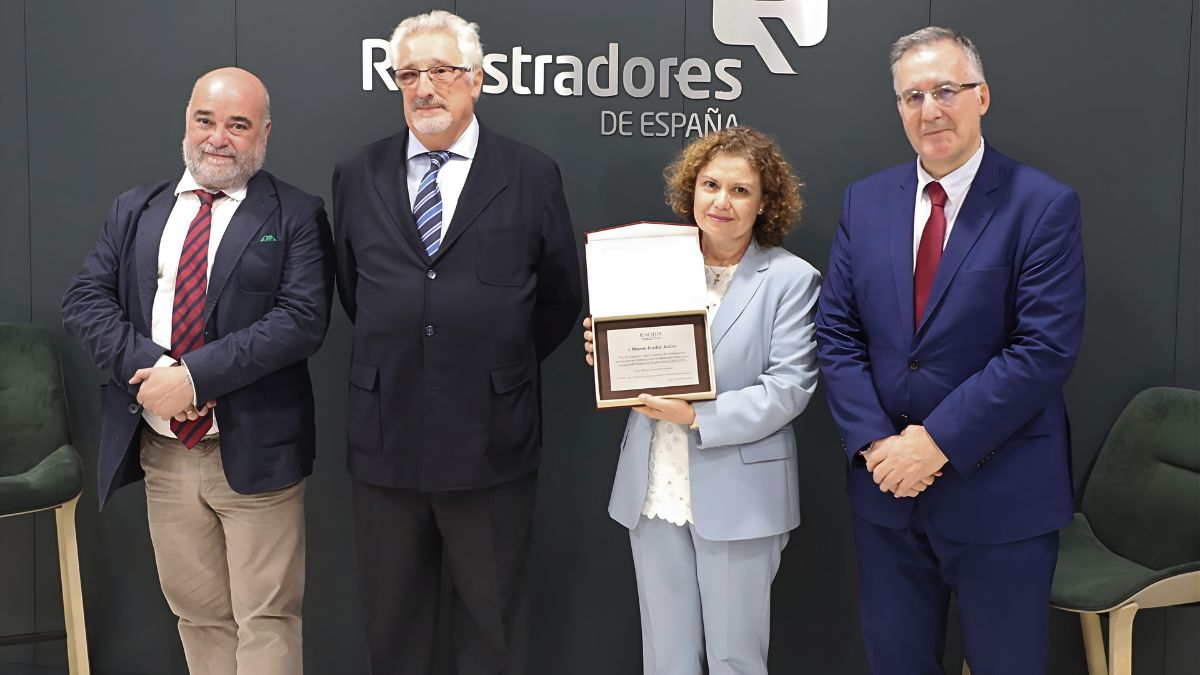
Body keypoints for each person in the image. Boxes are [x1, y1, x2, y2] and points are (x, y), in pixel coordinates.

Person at [815, 26, 1086, 674]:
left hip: (1001, 494)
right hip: (887, 495)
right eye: (913, 96)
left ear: (982, 96)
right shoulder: (866, 200)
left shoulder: (1042, 206)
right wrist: (878, 444)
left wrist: (932, 442)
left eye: (946, 90)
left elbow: (1042, 348)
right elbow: (838, 333)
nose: (930, 108)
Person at [331, 10, 581, 675]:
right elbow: (355, 291)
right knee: (395, 631)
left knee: (492, 628)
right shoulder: (357, 174)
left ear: (475, 78)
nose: (424, 89)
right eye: (408, 74)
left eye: (440, 71)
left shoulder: (531, 174)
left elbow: (559, 296)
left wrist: (494, 360)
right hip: (387, 440)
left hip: (491, 439)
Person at [61, 67, 334, 675]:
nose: (219, 138)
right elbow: (84, 300)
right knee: (198, 615)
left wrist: (195, 377)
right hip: (166, 453)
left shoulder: (296, 214)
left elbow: (302, 320)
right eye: (206, 121)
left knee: (266, 619)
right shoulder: (136, 209)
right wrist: (157, 370)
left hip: (257, 453)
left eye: (238, 125)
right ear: (187, 123)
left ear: (264, 132)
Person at [584, 126, 821, 674]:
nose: (721, 201)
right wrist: (610, 356)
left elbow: (789, 388)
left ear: (765, 203)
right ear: (691, 189)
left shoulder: (791, 279)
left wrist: (696, 416)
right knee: (666, 659)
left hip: (741, 495)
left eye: (741, 190)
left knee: (735, 659)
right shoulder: (651, 264)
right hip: (654, 488)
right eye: (710, 184)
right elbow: (638, 356)